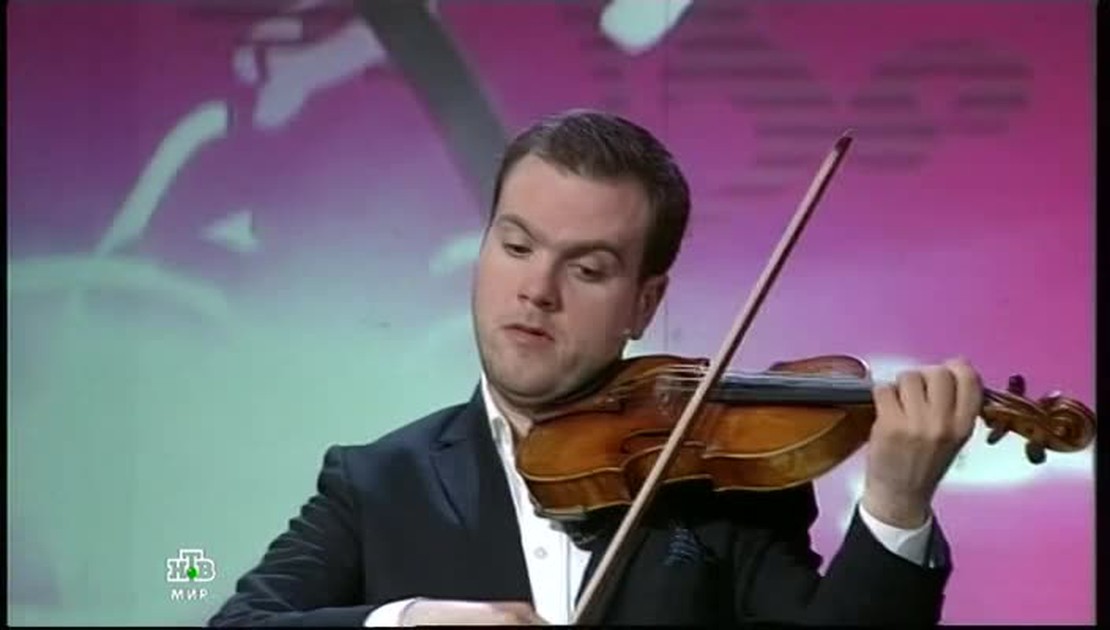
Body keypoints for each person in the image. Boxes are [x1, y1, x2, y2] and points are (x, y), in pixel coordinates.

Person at [208, 109, 981, 626]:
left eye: (587, 269)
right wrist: (410, 622)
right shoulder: (378, 483)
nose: (536, 290)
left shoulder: (721, 491)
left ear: (645, 303)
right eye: (517, 246)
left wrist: (896, 505)